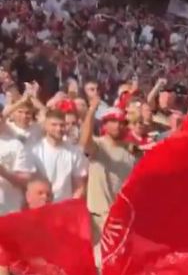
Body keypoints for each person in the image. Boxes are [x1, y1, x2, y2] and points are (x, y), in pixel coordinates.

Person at [80, 97, 136, 244]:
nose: (118, 125)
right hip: (96, 216)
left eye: (121, 122)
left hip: (119, 219)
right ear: (104, 124)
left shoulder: (130, 157)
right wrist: (91, 110)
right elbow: (84, 140)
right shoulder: (98, 146)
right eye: (113, 121)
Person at [28, 109, 87, 202]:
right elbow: (28, 184)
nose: (59, 129)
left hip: (64, 207)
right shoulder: (34, 151)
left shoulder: (74, 152)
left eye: (62, 125)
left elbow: (79, 185)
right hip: (40, 207)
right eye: (54, 125)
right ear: (45, 126)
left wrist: (72, 204)